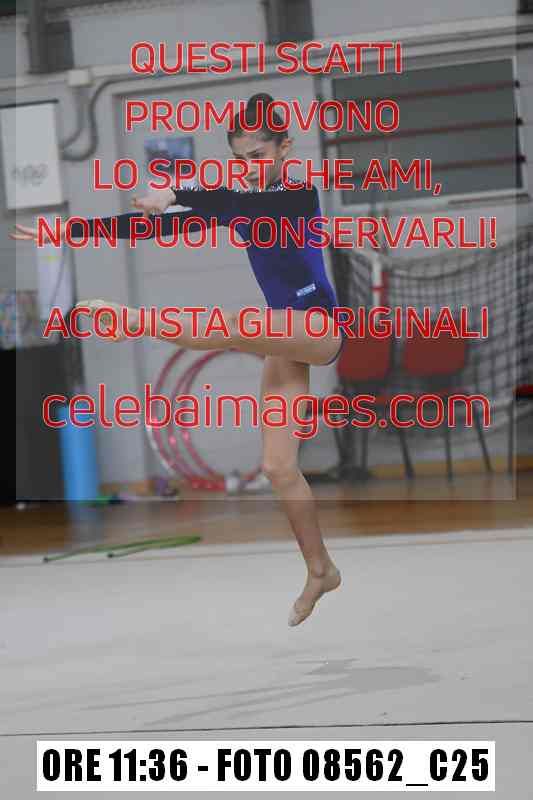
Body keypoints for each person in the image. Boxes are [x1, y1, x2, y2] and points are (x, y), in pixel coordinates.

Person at [11, 92, 346, 627]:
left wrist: (177, 190)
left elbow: (229, 205)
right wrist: (70, 231)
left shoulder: (296, 193)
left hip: (319, 326)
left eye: (258, 156)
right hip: (283, 331)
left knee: (235, 325)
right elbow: (157, 226)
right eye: (240, 158)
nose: (249, 166)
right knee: (278, 467)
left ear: (285, 147)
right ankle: (320, 569)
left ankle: (133, 319)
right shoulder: (241, 198)